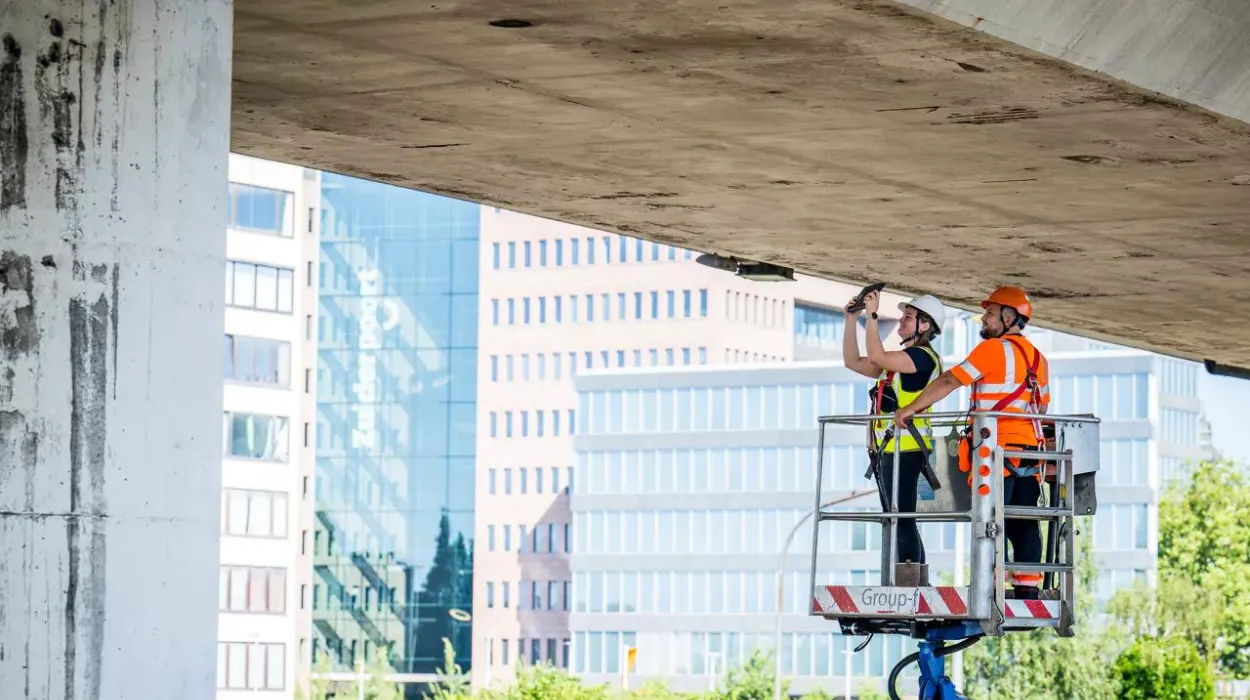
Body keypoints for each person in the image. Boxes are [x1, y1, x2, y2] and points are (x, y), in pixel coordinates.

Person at [894, 286, 1050, 599]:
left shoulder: (993, 350)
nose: (984, 317)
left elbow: (951, 380)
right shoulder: (1039, 358)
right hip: (1031, 453)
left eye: (990, 313)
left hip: (998, 452)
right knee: (1023, 519)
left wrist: (910, 408)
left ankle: (988, 587)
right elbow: (1041, 407)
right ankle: (1027, 589)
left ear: (1008, 317)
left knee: (990, 520)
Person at [842, 289, 946, 572]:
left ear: (925, 326)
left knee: (901, 518)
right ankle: (913, 578)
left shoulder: (922, 358)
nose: (901, 321)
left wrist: (873, 316)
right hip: (889, 449)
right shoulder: (899, 363)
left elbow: (875, 354)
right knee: (897, 517)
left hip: (906, 449)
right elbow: (853, 361)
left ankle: (911, 579)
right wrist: (852, 321)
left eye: (908, 317)